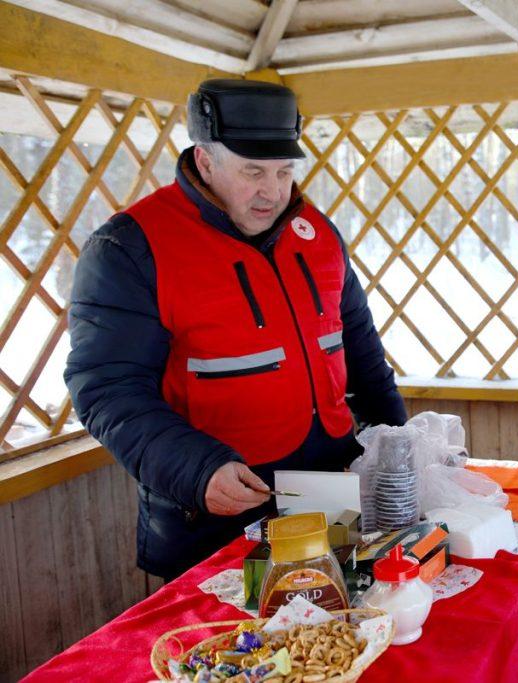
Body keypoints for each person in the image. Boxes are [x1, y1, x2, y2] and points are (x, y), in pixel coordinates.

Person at [65, 79, 406, 580]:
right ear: (205, 161)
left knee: (333, 635)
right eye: (252, 172)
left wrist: (398, 439)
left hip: (326, 496)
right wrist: (197, 469)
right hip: (216, 508)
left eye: (284, 171)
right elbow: (106, 390)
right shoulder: (130, 248)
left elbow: (359, 348)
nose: (272, 192)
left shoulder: (316, 234)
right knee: (233, 650)